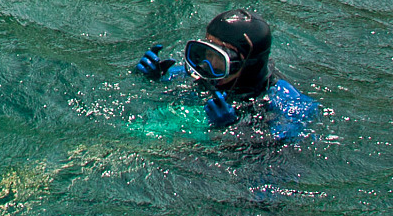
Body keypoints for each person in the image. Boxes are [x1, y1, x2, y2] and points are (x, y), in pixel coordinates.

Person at [130, 9, 315, 141]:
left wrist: (233, 131)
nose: (205, 65)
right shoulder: (204, 75)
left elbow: (277, 156)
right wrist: (151, 78)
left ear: (246, 64)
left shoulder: (285, 102)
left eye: (218, 57)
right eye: (206, 51)